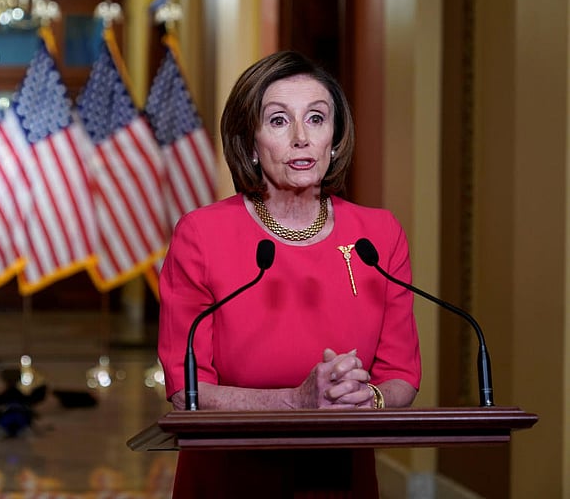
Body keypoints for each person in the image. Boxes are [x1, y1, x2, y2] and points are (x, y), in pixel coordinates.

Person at [157, 50, 421, 498]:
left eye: (316, 119)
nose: (301, 137)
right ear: (250, 143)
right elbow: (188, 392)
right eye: (279, 121)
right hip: (228, 480)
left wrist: (364, 399)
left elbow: (400, 375)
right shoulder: (202, 234)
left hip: (341, 479)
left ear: (335, 139)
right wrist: (296, 402)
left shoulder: (378, 235)